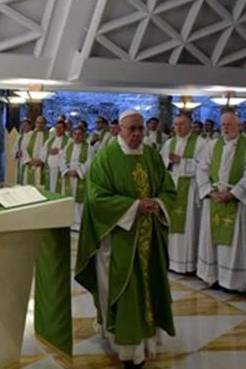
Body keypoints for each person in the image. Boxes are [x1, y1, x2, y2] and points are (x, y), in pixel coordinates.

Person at [75, 110, 177, 368]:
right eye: (131, 129)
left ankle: (147, 341)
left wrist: (156, 203)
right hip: (119, 239)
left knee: (149, 289)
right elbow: (96, 199)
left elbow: (168, 188)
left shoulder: (152, 156)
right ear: (118, 129)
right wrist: (133, 207)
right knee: (125, 291)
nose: (137, 134)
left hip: (148, 238)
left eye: (141, 129)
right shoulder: (105, 158)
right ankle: (127, 348)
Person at [196, 111, 246, 292]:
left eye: (230, 124)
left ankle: (233, 281)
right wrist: (210, 191)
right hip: (214, 198)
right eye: (223, 124)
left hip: (236, 203)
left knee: (235, 243)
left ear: (239, 126)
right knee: (212, 241)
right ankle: (212, 275)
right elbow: (201, 169)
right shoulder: (212, 145)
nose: (226, 128)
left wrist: (233, 193)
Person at [159, 115, 207, 274]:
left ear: (190, 126)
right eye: (176, 125)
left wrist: (182, 161)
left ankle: (188, 264)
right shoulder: (169, 143)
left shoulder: (200, 143)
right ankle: (172, 261)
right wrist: (169, 161)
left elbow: (204, 168)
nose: (178, 128)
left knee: (189, 226)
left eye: (182, 125)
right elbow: (161, 163)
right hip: (173, 186)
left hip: (190, 189)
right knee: (171, 225)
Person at [63, 126, 92, 230]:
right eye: (75, 134)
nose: (77, 137)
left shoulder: (88, 147)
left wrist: (79, 171)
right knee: (70, 197)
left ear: (83, 135)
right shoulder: (68, 146)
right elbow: (62, 159)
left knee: (80, 199)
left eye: (79, 134)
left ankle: (79, 222)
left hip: (80, 175)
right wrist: (66, 170)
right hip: (70, 173)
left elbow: (90, 161)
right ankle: (70, 220)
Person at [20, 116, 49, 185]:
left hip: (43, 165)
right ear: (35, 123)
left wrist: (41, 160)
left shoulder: (50, 136)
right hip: (30, 164)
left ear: (45, 124)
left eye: (42, 123)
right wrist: (29, 161)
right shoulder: (29, 134)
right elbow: (23, 148)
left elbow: (49, 150)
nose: (39, 125)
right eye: (38, 123)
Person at [42, 119, 70, 192]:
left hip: (60, 170)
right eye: (57, 128)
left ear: (64, 129)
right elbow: (42, 152)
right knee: (50, 189)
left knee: (59, 190)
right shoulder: (49, 140)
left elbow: (70, 153)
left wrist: (59, 151)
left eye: (60, 128)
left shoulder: (69, 141)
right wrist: (48, 151)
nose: (58, 130)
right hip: (49, 169)